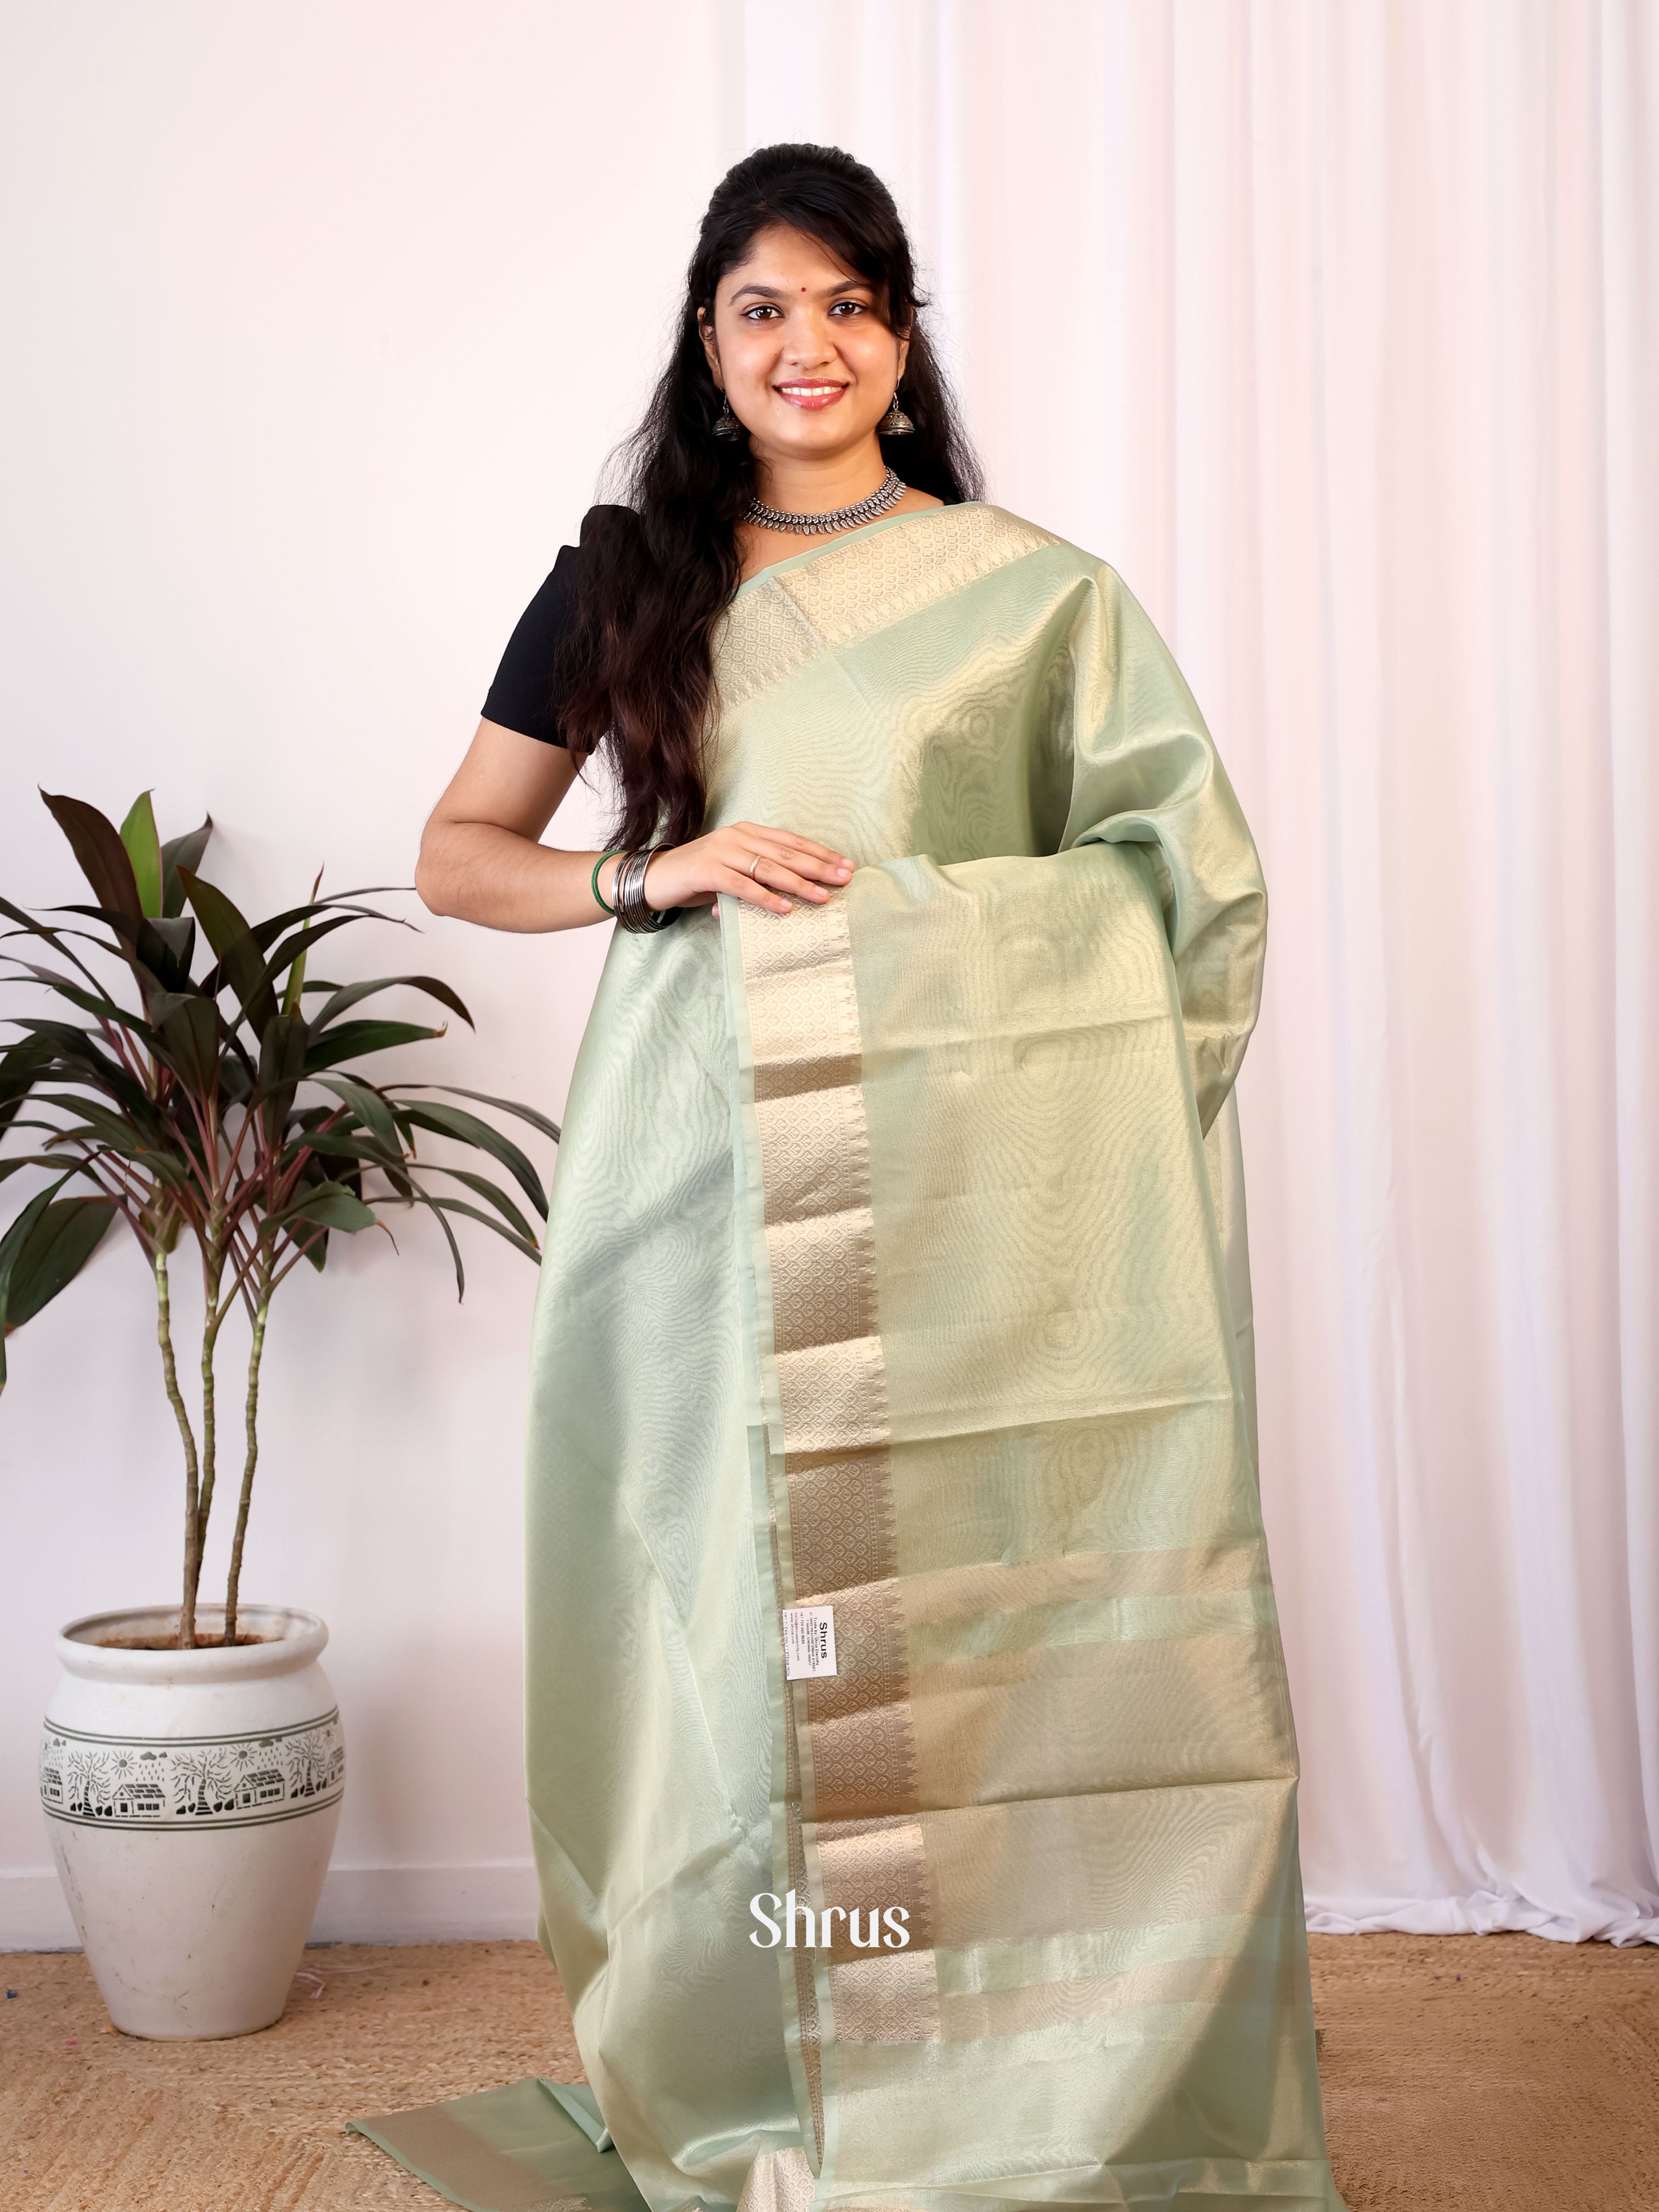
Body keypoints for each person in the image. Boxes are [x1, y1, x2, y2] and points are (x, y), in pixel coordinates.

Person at [415, 142, 1344, 2212]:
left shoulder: (1037, 597)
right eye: (764, 309)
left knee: (970, 1618)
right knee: (743, 1611)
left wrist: (943, 962)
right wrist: (660, 872)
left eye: (847, 306)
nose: (807, 346)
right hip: (697, 1175)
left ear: (905, 343)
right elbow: (459, 856)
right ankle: (773, 2049)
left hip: (967, 1205)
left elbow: (1181, 894)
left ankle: (1003, 2073)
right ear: (708, 343)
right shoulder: (624, 580)